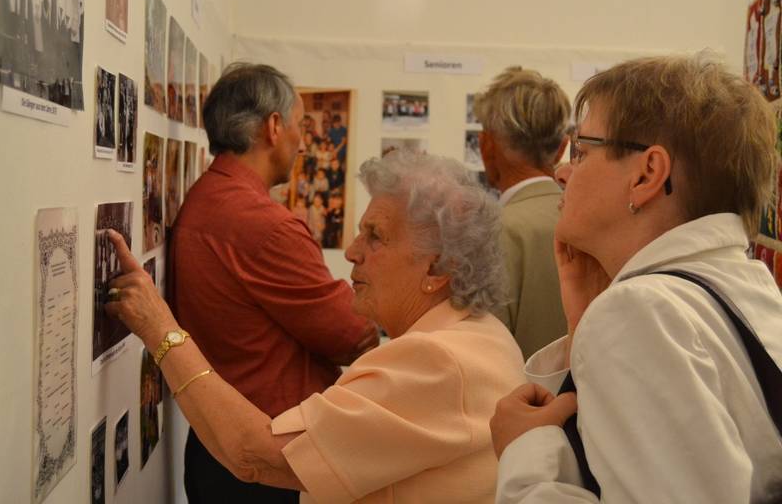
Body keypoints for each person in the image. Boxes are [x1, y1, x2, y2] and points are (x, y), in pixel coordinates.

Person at [107, 149, 526, 503]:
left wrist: (161, 330)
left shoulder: (434, 360)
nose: (351, 251)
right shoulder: (485, 332)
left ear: (437, 267)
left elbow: (255, 455)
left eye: (375, 236)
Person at [490, 54, 782, 502]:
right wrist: (583, 328)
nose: (562, 171)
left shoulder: (640, 312)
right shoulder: (743, 284)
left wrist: (525, 451)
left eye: (583, 151)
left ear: (647, 174)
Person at [167, 63, 378, 503]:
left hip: (220, 445)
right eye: (302, 124)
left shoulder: (209, 198)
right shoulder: (261, 223)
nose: (304, 141)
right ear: (275, 126)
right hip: (264, 456)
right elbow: (352, 333)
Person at [474, 66, 571, 359]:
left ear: (486, 145)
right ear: (562, 148)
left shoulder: (489, 232)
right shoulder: (595, 223)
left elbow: (482, 354)